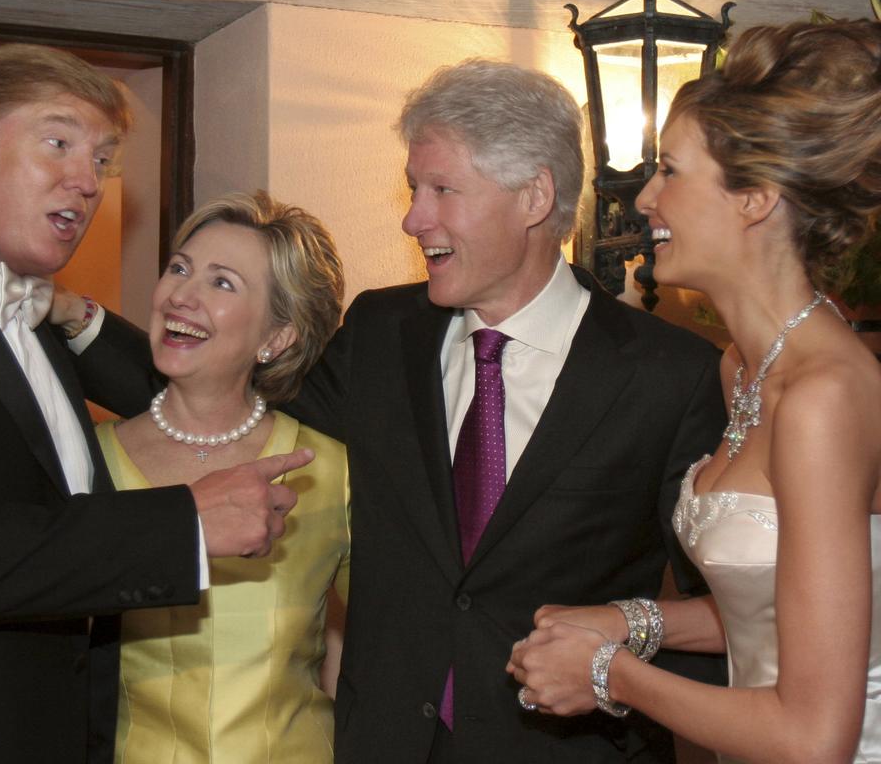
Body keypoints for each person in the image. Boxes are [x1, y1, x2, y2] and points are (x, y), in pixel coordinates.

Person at [0, 44, 311, 763]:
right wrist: (182, 523)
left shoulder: (33, 319)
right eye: (58, 143)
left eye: (101, 159)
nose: (88, 181)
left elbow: (186, 392)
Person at [279, 58, 728, 763]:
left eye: (442, 189)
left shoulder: (669, 374)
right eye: (412, 189)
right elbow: (229, 410)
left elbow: (727, 614)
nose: (413, 217)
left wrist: (619, 673)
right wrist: (79, 326)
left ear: (534, 197)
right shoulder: (379, 332)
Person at [507, 19, 881, 764]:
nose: (644, 198)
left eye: (671, 171)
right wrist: (630, 620)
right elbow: (780, 609)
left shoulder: (823, 395)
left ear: (755, 199)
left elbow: (815, 739)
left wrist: (609, 673)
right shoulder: (741, 369)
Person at [98, 191, 349, 763]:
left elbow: (367, 649)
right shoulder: (85, 461)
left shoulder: (331, 471)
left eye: (222, 283)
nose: (181, 296)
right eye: (179, 269)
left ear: (277, 336)